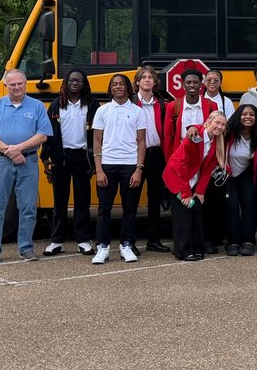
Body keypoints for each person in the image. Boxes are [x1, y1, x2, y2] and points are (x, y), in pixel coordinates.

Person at [0, 69, 51, 264]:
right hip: (0, 161)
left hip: (28, 161)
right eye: (12, 84)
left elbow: (42, 135)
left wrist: (19, 149)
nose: (16, 87)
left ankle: (26, 248)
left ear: (25, 83)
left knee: (28, 207)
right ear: (5, 86)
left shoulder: (36, 106)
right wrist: (8, 151)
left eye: (20, 83)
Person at [41, 69, 100, 257]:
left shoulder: (92, 105)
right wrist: (46, 157)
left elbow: (98, 134)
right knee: (59, 201)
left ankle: (83, 240)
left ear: (85, 84)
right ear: (65, 83)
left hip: (82, 157)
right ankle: (56, 241)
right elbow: (48, 134)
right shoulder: (56, 105)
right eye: (71, 80)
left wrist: (94, 158)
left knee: (82, 201)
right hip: (61, 157)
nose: (75, 83)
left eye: (79, 80)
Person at [91, 74, 147, 264]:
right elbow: (96, 142)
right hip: (107, 165)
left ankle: (127, 245)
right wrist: (99, 169)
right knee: (104, 209)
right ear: (110, 88)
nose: (118, 87)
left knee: (130, 209)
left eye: (121, 84)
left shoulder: (138, 112)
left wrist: (139, 169)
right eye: (114, 84)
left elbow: (141, 142)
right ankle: (103, 247)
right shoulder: (102, 110)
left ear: (128, 88)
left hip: (130, 165)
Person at [163, 111, 227, 261]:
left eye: (223, 124)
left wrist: (200, 192)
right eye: (217, 123)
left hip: (193, 180)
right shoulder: (195, 136)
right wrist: (185, 193)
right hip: (177, 179)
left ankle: (198, 248)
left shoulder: (216, 142)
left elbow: (207, 170)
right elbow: (181, 165)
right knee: (183, 214)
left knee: (197, 210)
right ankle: (183, 251)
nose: (219, 126)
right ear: (208, 122)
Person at [131, 65, 170, 254]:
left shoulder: (161, 104)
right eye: (143, 77)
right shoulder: (129, 104)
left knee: (154, 199)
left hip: (156, 155)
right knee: (132, 198)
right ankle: (129, 241)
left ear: (155, 82)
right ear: (137, 81)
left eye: (150, 77)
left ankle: (153, 240)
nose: (147, 80)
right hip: (135, 156)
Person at [223, 104, 257, 257]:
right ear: (238, 115)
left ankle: (248, 241)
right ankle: (232, 242)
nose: (248, 117)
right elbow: (211, 126)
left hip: (246, 173)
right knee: (231, 206)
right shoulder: (229, 132)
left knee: (249, 205)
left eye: (252, 114)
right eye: (244, 114)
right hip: (228, 174)